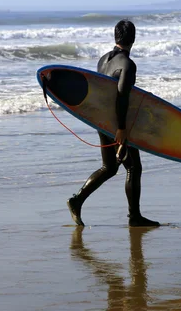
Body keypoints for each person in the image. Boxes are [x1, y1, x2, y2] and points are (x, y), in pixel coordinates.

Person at [67, 20, 160, 228]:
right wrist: (121, 129)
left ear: (115, 36)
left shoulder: (103, 60)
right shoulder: (128, 65)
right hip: (116, 123)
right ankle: (134, 217)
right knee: (133, 167)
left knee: (109, 167)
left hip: (100, 121)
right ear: (133, 39)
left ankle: (77, 200)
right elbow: (121, 96)